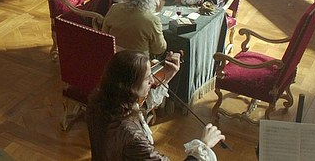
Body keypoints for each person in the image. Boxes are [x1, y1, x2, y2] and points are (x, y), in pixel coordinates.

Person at [86, 50, 225, 161]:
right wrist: (204, 145)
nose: (152, 81)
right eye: (147, 77)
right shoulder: (132, 136)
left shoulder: (100, 102)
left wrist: (167, 76)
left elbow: (138, 110)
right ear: (130, 87)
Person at [102, 0, 166, 55]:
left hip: (115, 58)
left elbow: (105, 34)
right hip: (138, 62)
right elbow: (159, 49)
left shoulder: (114, 9)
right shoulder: (152, 20)